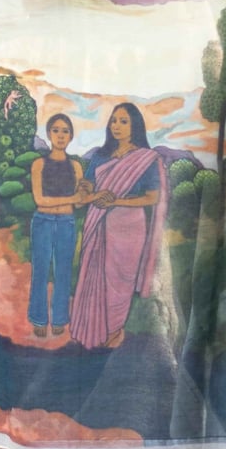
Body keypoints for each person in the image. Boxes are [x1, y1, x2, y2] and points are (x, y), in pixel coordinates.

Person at [70, 102, 166, 350]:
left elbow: (152, 197)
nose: (117, 126)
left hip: (130, 225)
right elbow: (88, 186)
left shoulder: (145, 159)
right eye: (114, 120)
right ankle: (93, 330)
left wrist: (116, 201)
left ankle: (114, 329)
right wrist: (86, 188)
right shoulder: (101, 156)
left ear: (135, 126)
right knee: (96, 275)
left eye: (124, 121)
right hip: (99, 222)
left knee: (121, 281)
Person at [27, 113, 84, 337]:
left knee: (63, 272)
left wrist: (87, 194)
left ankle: (60, 318)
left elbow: (79, 203)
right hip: (43, 221)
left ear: (71, 136)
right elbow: (40, 200)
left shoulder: (76, 166)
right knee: (40, 271)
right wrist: (72, 198)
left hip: (66, 223)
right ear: (49, 134)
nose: (61, 135)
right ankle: (39, 319)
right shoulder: (39, 164)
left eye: (65, 131)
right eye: (56, 130)